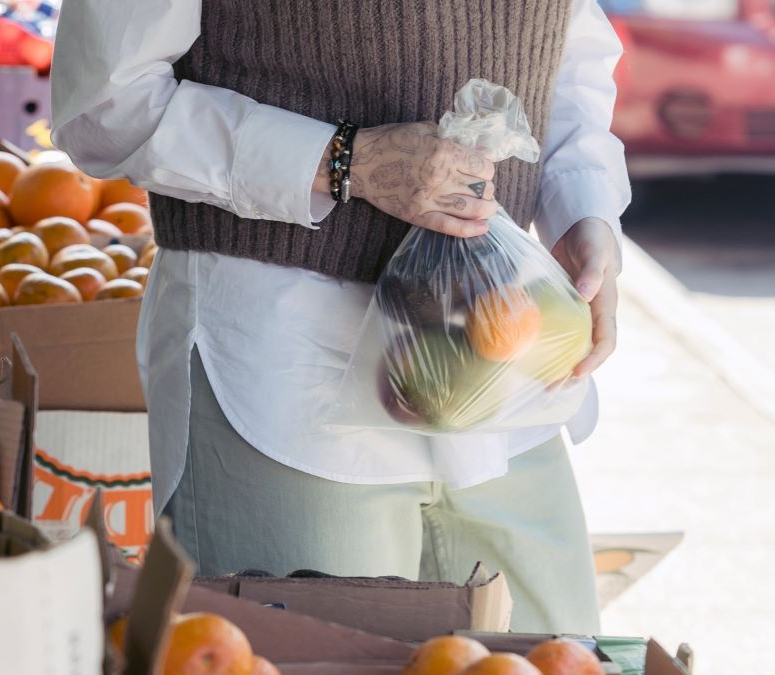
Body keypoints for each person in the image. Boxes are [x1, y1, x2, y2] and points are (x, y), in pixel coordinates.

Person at [51, 0, 629, 634]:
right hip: (287, 364)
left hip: (504, 351)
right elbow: (105, 102)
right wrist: (340, 160)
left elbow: (567, 47)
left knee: (559, 649)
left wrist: (582, 208)